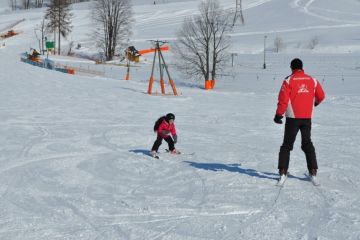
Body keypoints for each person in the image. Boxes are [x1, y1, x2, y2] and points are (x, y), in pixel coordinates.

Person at [274, 58, 325, 183]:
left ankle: (282, 172)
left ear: (291, 68)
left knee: (287, 145)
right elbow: (321, 95)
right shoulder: (312, 80)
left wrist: (278, 115)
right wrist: (316, 103)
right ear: (302, 67)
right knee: (307, 144)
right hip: (307, 118)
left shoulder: (289, 80)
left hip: (292, 118)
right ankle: (313, 171)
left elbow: (283, 99)